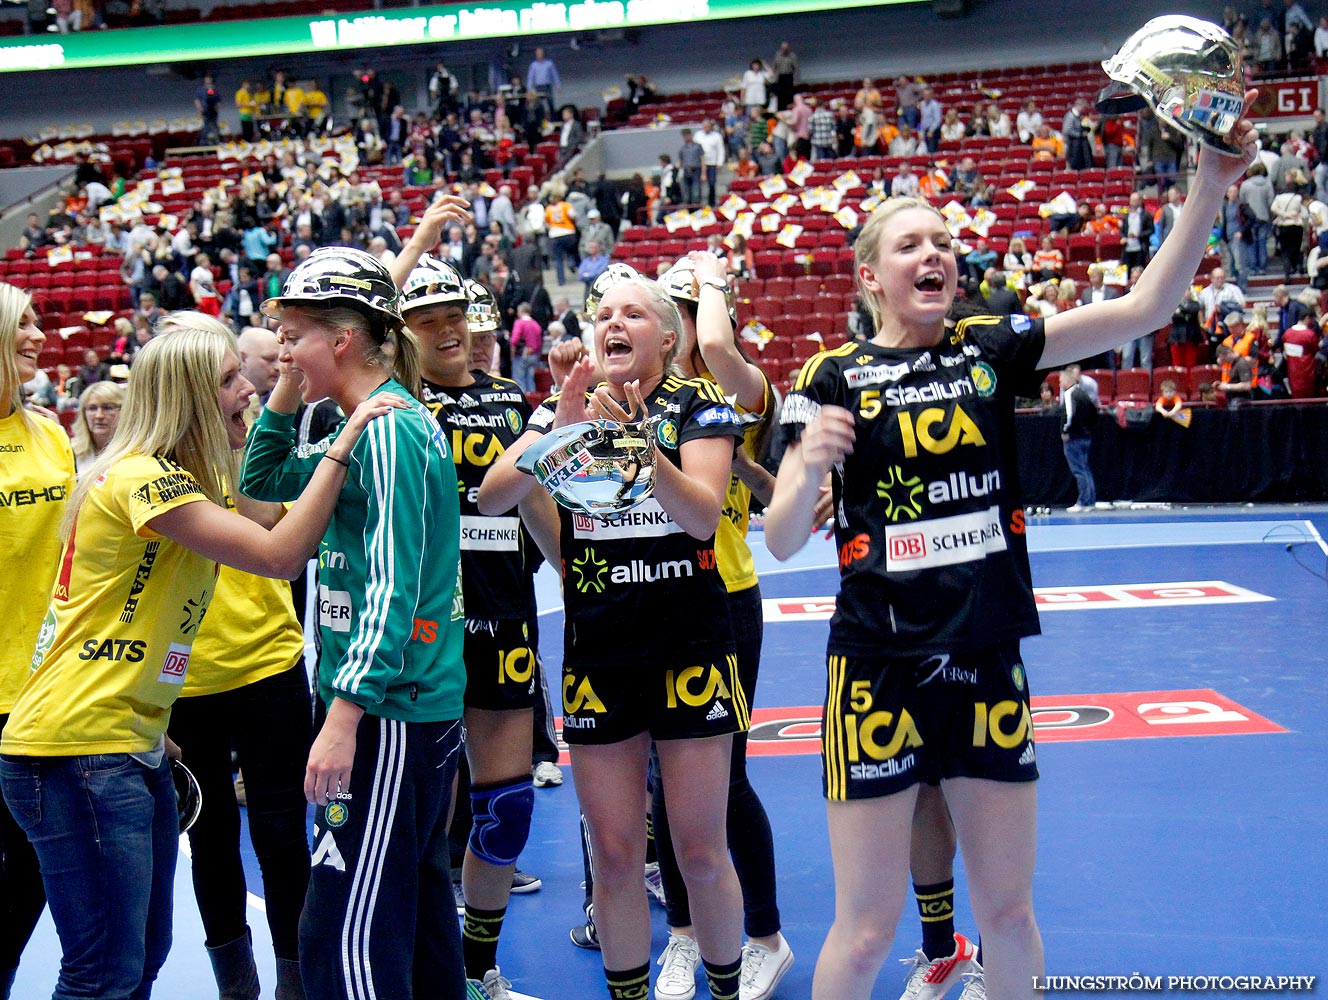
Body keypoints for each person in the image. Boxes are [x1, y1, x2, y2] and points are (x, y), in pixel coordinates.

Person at [761, 90, 1258, 999]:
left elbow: (1147, 306)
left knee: (1010, 916)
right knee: (866, 930)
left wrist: (1210, 185)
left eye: (943, 241)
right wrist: (810, 469)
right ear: (871, 277)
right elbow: (785, 538)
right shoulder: (830, 377)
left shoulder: (993, 347)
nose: (935, 253)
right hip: (875, 667)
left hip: (987, 658)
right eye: (910, 244)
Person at [1, 313, 400, 1000]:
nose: (245, 388)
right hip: (79, 749)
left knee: (139, 958)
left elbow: (259, 510)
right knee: (103, 970)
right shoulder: (143, 482)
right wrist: (344, 443)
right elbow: (279, 553)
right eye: (227, 381)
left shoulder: (177, 475)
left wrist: (287, 394)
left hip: (128, 739)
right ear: (190, 396)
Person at [479, 274, 749, 1000]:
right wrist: (559, 424)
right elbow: (491, 494)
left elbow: (700, 517)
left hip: (689, 645)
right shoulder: (566, 411)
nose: (613, 322)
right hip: (600, 650)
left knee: (698, 849)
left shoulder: (699, 404)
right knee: (617, 850)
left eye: (634, 312)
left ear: (670, 337)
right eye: (602, 314)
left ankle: (725, 988)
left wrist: (636, 446)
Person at [239, 244, 470, 1000]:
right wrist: (284, 383)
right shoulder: (351, 423)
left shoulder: (391, 430)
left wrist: (343, 716)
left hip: (386, 709)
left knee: (348, 929)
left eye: (295, 335)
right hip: (377, 704)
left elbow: (394, 587)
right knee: (418, 909)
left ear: (341, 340)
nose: (282, 349)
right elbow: (264, 484)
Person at [389, 247, 558, 997]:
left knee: (507, 808)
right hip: (423, 624)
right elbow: (359, 318)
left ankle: (476, 968)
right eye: (426, 321)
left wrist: (577, 584)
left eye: (454, 315)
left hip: (504, 615)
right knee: (421, 819)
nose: (447, 331)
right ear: (403, 330)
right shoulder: (395, 397)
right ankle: (412, 970)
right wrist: (421, 236)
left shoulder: (513, 403)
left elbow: (538, 500)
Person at [637, 255, 793, 1000]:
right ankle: (684, 936)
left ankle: (765, 936)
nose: (683, 326)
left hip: (724, 597)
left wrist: (713, 287)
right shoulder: (645, 394)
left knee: (725, 780)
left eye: (688, 311)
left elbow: (724, 350)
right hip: (656, 598)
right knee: (667, 783)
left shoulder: (737, 386)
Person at [0, 283, 76, 999]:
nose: (36, 333)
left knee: (35, 869)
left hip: (46, 692)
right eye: (21, 323)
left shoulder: (50, 431)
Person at [1059, 366, 1098, 512]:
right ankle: (1090, 501)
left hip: (1074, 438)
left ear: (1067, 380)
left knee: (1079, 470)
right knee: (1085, 469)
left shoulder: (1070, 394)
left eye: (1060, 380)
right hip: (1085, 436)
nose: (1059, 383)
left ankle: (1083, 502)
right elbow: (1093, 412)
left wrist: (1065, 430)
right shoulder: (1082, 392)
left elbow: (1069, 415)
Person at [70, 380, 123, 473]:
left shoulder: (134, 453)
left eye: (108, 408)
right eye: (92, 408)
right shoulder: (72, 452)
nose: (99, 415)